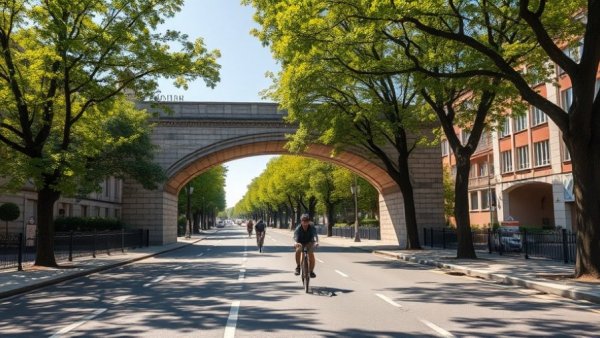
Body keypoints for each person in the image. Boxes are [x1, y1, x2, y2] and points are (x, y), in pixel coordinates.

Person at [293, 214, 318, 278]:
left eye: (306, 220)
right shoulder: (298, 228)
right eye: (303, 220)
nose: (305, 222)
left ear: (309, 221)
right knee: (298, 250)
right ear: (301, 221)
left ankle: (311, 271)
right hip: (300, 242)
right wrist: (296, 243)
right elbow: (295, 236)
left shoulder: (311, 227)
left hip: (309, 242)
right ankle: (298, 267)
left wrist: (316, 242)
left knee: (311, 254)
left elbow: (315, 235)